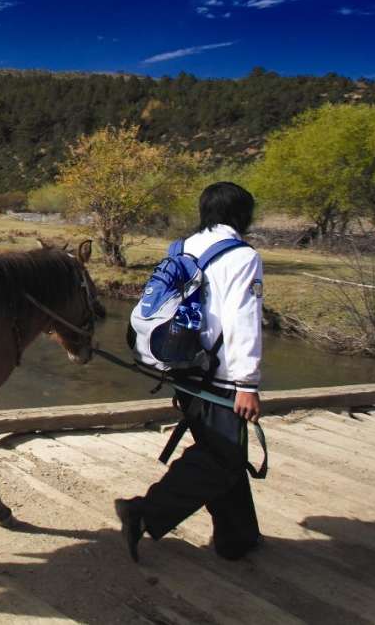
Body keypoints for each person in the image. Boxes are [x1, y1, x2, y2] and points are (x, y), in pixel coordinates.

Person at [115, 181, 264, 562]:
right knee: (221, 457)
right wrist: (247, 383)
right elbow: (243, 320)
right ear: (241, 215)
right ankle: (143, 512)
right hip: (221, 376)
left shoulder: (183, 247)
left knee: (221, 453)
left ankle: (238, 538)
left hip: (182, 363)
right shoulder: (241, 256)